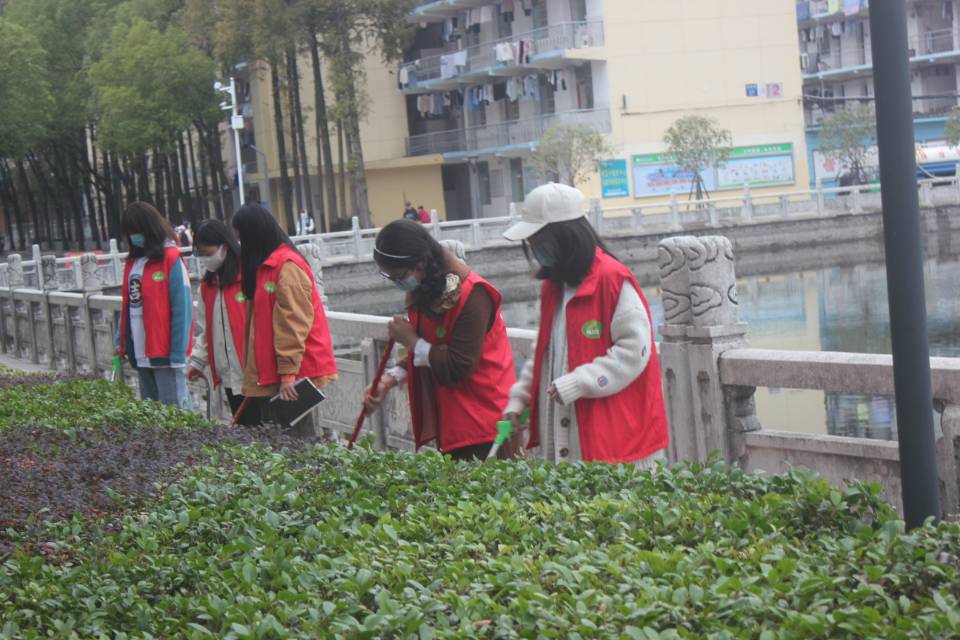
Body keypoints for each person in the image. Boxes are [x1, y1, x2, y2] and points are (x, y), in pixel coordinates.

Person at [501, 182, 668, 466]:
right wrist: (519, 399)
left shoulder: (612, 280)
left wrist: (580, 381)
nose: (535, 249)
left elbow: (635, 350)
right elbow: (543, 352)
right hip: (570, 434)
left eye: (539, 240)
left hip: (618, 440)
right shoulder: (554, 287)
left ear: (565, 237)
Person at [361, 219, 516, 460]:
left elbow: (458, 366)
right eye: (390, 277)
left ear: (421, 262)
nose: (399, 284)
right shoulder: (426, 289)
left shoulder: (474, 295)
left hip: (487, 424)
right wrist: (387, 381)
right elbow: (430, 347)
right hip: (454, 421)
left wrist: (411, 341)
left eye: (399, 276)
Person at [232, 203, 337, 436]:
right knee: (281, 440)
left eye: (242, 239)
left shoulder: (286, 266)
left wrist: (288, 373)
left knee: (299, 439)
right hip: (276, 373)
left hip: (294, 375)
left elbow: (293, 324)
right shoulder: (266, 267)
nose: (240, 246)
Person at [115, 202, 193, 409]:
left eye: (136, 231)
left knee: (175, 412)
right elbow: (128, 305)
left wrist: (178, 353)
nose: (134, 236)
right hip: (140, 351)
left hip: (165, 353)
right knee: (152, 414)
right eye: (130, 232)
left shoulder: (171, 259)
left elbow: (182, 309)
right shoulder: (133, 263)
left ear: (149, 229)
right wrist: (120, 341)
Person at [186, 220, 258, 425]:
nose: (205, 259)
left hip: (254, 374)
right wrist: (197, 362)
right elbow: (207, 330)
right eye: (201, 254)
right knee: (243, 430)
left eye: (208, 253)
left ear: (224, 247)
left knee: (263, 430)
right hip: (228, 375)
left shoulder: (249, 277)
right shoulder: (207, 286)